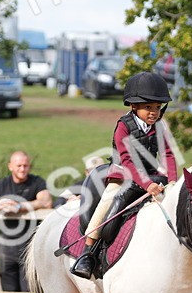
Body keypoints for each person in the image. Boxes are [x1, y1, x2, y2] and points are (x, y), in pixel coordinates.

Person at [71, 72, 178, 279]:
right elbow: (128, 160)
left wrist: (172, 180)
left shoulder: (159, 126)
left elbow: (168, 154)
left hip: (152, 176)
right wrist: (147, 185)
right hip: (122, 176)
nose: (154, 112)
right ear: (134, 106)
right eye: (148, 107)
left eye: (157, 107)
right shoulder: (123, 125)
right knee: (107, 204)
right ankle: (88, 252)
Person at [0, 151, 52, 292]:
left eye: (25, 166)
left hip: (30, 244)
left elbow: (46, 201)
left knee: (29, 289)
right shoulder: (3, 184)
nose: (22, 169)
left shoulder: (37, 182)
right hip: (7, 245)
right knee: (8, 287)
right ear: (10, 166)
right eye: (19, 166)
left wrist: (20, 207)